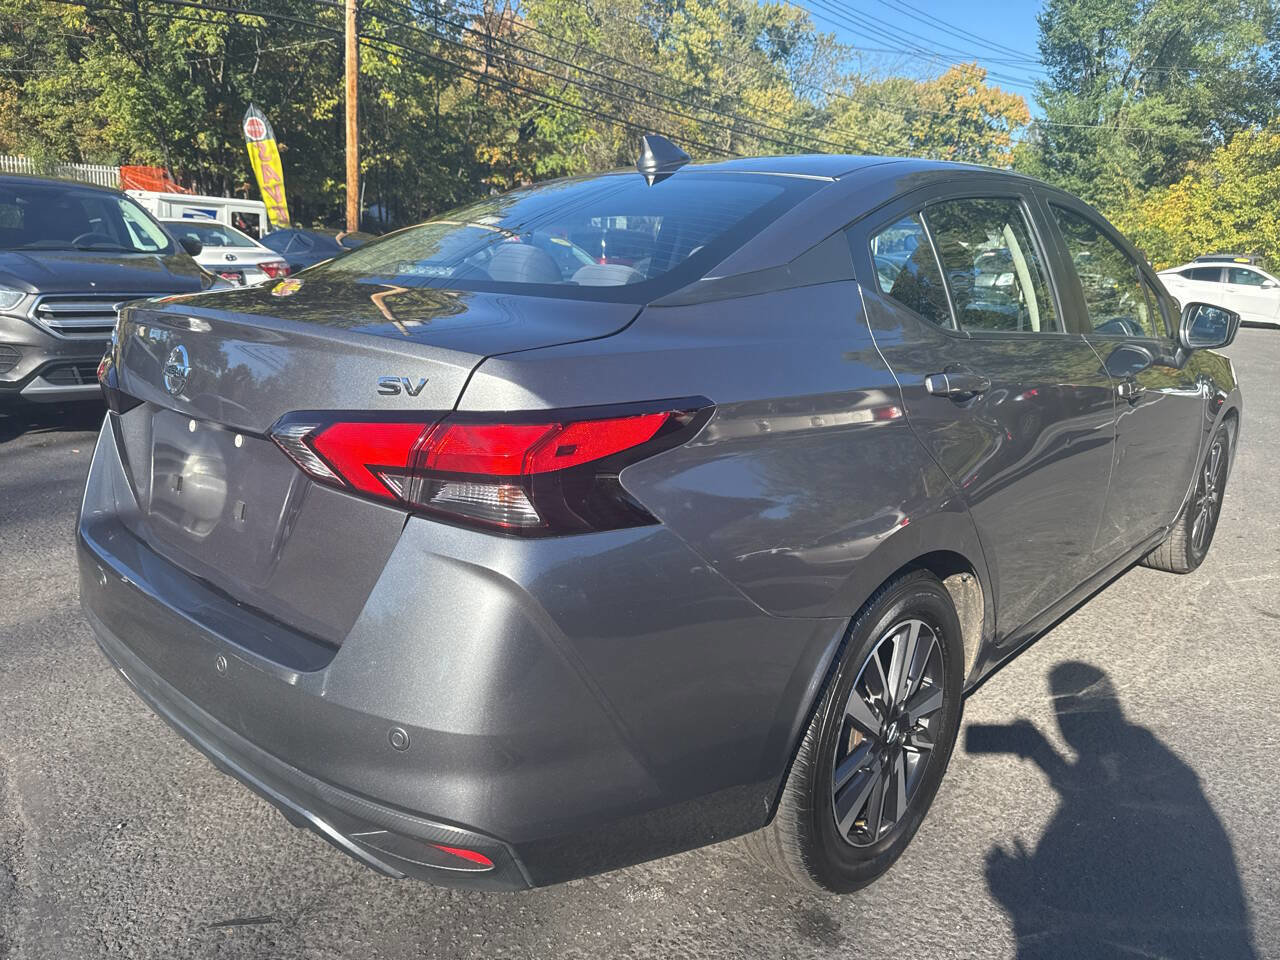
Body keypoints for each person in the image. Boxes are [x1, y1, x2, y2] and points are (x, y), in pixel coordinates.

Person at [980, 662, 1256, 959]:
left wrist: (1026, 907)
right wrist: (1046, 758)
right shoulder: (1162, 785)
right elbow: (1105, 798)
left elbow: (1116, 928)